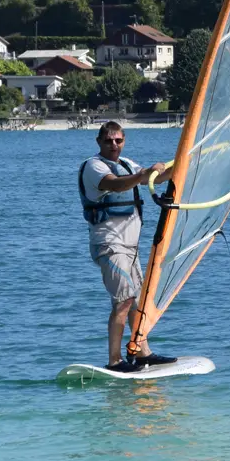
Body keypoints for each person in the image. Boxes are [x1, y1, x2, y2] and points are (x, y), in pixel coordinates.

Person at [79, 121, 177, 372]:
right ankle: (114, 360)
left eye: (118, 140)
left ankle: (142, 353)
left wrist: (178, 165)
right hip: (109, 244)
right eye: (109, 140)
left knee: (137, 301)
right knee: (123, 300)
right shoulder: (94, 166)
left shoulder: (127, 163)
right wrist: (145, 174)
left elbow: (154, 177)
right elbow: (117, 184)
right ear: (99, 142)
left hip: (131, 248)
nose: (114, 145)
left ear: (124, 141)